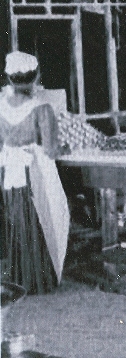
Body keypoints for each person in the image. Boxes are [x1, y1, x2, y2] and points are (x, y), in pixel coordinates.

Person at [0, 52, 70, 295]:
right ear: (36, 76)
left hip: (9, 172)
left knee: (16, 223)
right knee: (42, 219)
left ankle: (18, 277)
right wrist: (64, 147)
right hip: (33, 173)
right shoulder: (41, 108)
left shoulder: (0, 105)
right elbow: (51, 149)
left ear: (9, 78)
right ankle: (38, 280)